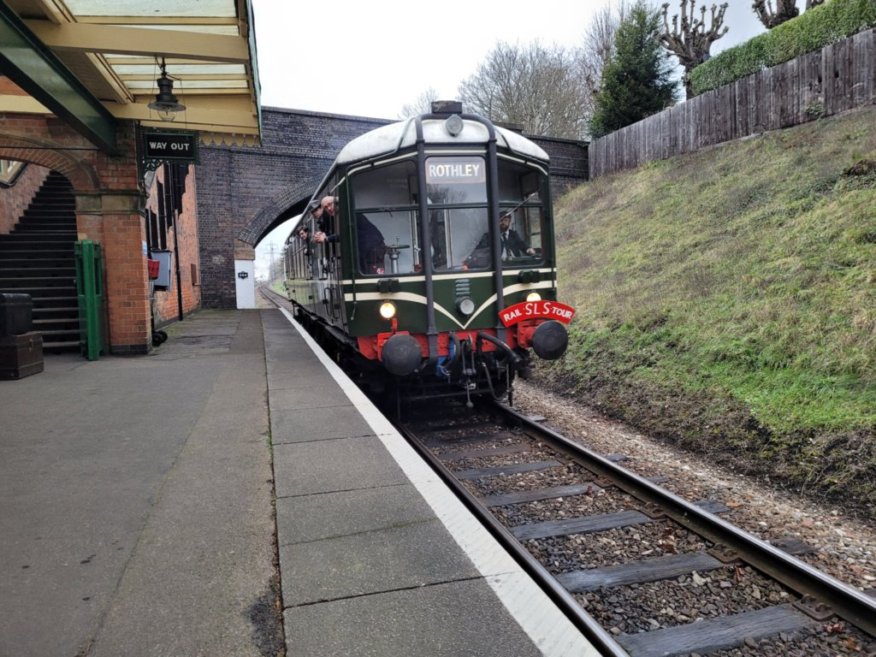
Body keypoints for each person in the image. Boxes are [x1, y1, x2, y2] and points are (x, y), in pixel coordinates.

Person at [465, 211, 534, 267]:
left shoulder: (513, 234)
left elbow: (521, 244)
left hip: (514, 264)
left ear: (509, 222)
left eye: (506, 220)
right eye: (501, 220)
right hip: (498, 266)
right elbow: (479, 250)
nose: (503, 223)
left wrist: (528, 249)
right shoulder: (488, 236)